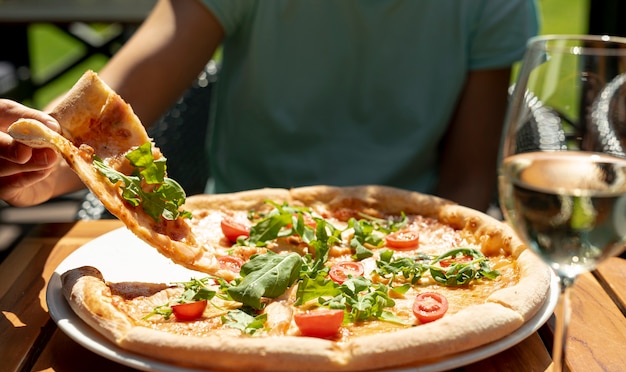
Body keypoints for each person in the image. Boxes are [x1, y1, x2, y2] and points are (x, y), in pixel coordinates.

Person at [0, 0, 538, 213]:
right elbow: (99, 116)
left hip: (400, 249)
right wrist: (36, 173)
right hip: (227, 247)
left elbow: (468, 181)